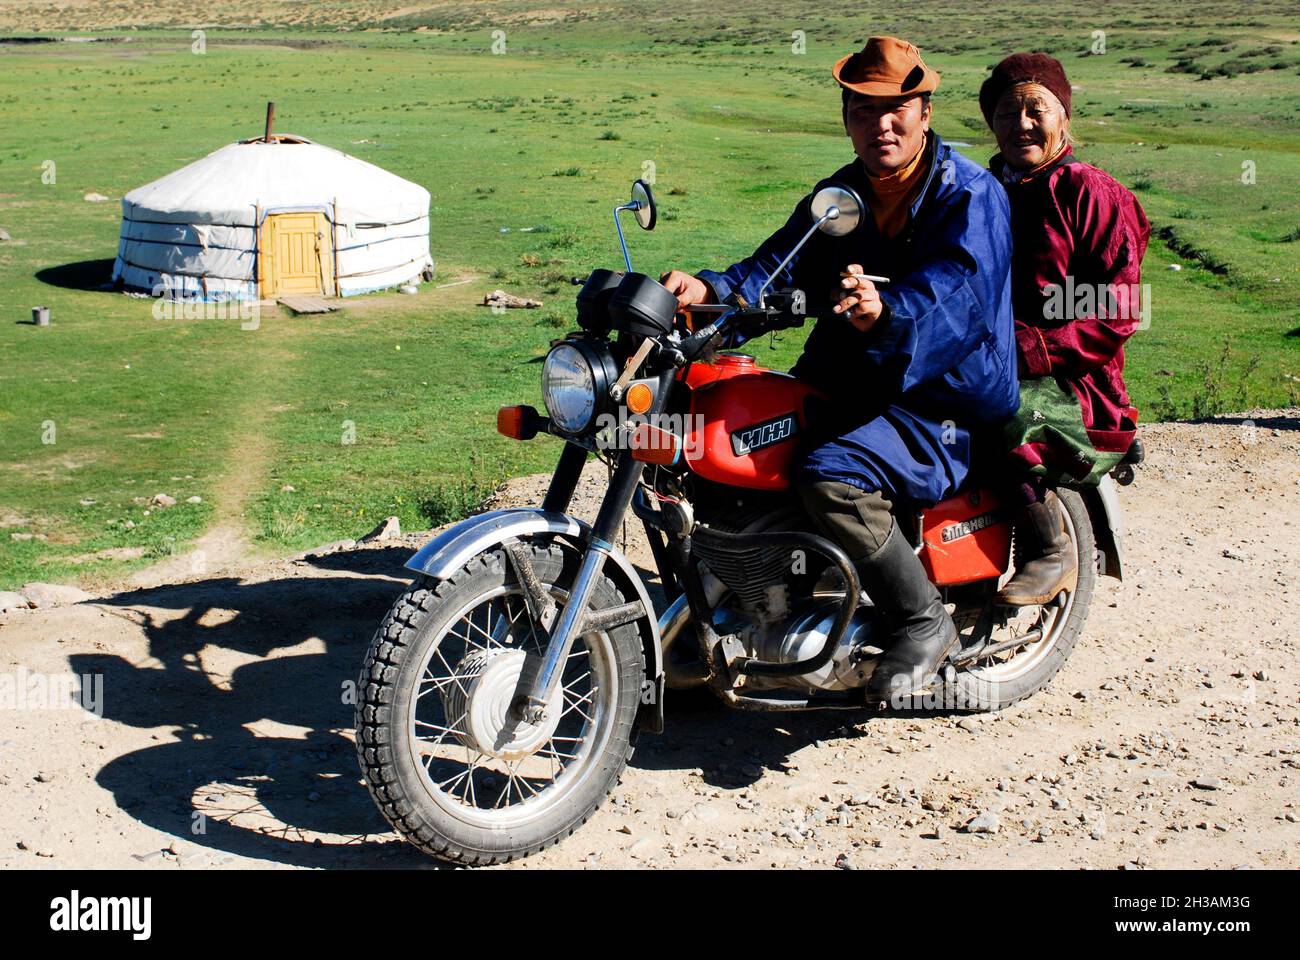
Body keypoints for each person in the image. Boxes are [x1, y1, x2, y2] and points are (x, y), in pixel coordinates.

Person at [660, 37, 1019, 702]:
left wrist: (887, 314)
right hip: (851, 382)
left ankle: (923, 620)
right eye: (862, 109)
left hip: (942, 400)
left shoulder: (970, 196)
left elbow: (956, 303)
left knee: (832, 475)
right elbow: (773, 271)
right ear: (845, 115)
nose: (880, 124)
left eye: (896, 109)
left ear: (925, 111)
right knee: (723, 437)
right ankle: (752, 603)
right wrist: (703, 297)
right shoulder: (840, 199)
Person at [978, 53, 1150, 606]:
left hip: (1078, 380)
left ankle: (1046, 550)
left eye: (1037, 109)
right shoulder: (982, 190)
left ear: (1064, 118)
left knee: (995, 410)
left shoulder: (1087, 191)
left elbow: (1115, 310)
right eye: (1007, 112)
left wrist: (1031, 348)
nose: (1022, 124)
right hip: (986, 357)